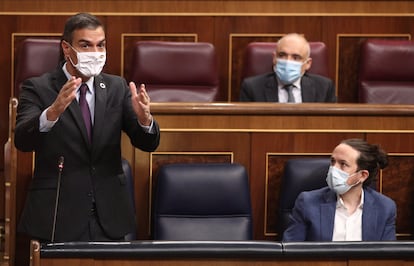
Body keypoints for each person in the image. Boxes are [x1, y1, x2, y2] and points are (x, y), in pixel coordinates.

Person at [14, 13, 160, 242]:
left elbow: (147, 143)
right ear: (66, 48)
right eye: (85, 45)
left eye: (100, 45)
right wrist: (52, 113)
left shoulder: (117, 87)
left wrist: (145, 121)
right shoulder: (37, 87)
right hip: (58, 216)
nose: (95, 52)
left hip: (109, 217)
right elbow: (22, 140)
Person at [283, 138, 396, 241]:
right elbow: (290, 253)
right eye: (333, 162)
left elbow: (388, 257)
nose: (333, 169)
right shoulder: (307, 202)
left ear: (362, 175)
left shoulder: (384, 208)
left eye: (343, 164)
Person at [240, 33, 336, 103]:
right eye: (282, 55)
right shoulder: (252, 88)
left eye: (296, 57)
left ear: (308, 64)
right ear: (274, 58)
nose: (288, 61)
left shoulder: (324, 87)